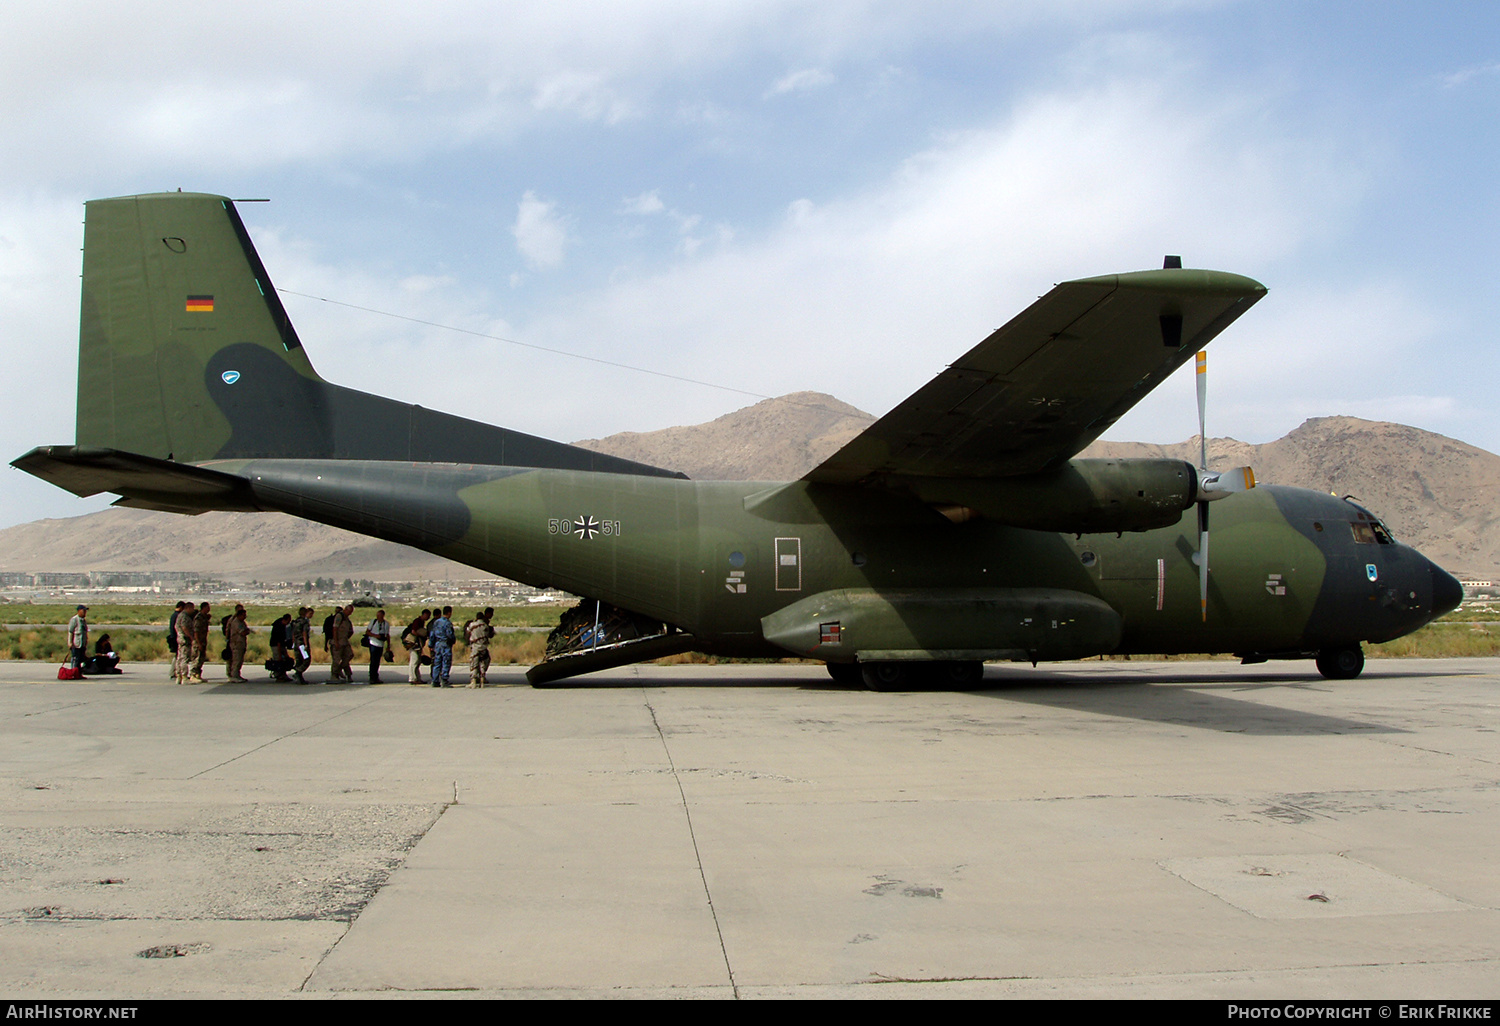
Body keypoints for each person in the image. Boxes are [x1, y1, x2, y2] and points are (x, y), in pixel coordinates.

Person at [466, 608, 494, 688]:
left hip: (475, 647)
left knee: (474, 664)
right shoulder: (485, 626)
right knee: (483, 663)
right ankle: (482, 679)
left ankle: (473, 681)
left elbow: (468, 632)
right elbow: (489, 635)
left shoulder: (472, 625)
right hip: (483, 647)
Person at [428, 606, 455, 687]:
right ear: (449, 613)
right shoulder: (447, 623)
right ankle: (444, 679)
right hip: (445, 644)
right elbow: (450, 634)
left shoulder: (436, 622)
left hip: (438, 644)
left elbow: (432, 634)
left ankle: (435, 680)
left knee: (437, 662)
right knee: (446, 661)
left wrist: (431, 644)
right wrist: (453, 641)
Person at [401, 609, 430, 685]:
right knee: (414, 660)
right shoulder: (417, 621)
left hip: (417, 644)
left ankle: (417, 678)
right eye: (427, 616)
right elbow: (414, 631)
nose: (428, 618)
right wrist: (421, 635)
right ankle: (412, 678)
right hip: (414, 644)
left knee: (417, 661)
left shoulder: (421, 622)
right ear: (424, 614)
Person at [364, 609, 391, 683]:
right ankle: (372, 677)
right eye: (377, 615)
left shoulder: (386, 624)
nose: (378, 617)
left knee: (377, 661)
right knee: (373, 660)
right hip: (373, 643)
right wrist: (375, 636)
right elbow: (367, 632)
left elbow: (387, 635)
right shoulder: (373, 622)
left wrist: (388, 646)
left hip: (381, 644)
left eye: (380, 616)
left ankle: (376, 676)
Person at [174, 600, 197, 684]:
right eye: (192, 608)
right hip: (184, 639)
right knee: (184, 658)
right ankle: (184, 677)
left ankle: (179, 676)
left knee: (179, 658)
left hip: (180, 638)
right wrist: (191, 637)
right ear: (188, 608)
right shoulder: (184, 616)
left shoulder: (180, 615)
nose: (193, 610)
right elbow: (184, 627)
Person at [226, 607, 251, 683]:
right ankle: (234, 675)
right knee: (236, 660)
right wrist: (247, 631)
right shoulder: (236, 622)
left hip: (241, 644)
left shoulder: (242, 622)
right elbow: (243, 632)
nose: (245, 617)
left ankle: (237, 675)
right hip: (236, 644)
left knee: (240, 660)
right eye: (243, 615)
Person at [290, 607, 312, 684]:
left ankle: (300, 678)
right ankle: (298, 673)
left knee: (299, 661)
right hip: (302, 644)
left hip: (296, 643)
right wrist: (306, 645)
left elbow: (292, 633)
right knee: (307, 660)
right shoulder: (304, 622)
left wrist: (293, 643)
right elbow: (304, 633)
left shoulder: (295, 622)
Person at [191, 602, 212, 682]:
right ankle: (193, 675)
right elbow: (196, 632)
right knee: (196, 658)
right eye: (207, 607)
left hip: (203, 641)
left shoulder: (204, 617)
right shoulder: (199, 618)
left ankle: (197, 674)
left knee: (201, 658)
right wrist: (198, 643)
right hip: (198, 642)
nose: (209, 609)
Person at [268, 613, 292, 682]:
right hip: (276, 645)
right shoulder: (278, 626)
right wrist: (279, 653)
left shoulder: (283, 626)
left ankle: (283, 675)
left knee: (285, 659)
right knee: (278, 659)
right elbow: (278, 641)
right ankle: (278, 675)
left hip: (281, 644)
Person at [67, 605, 88, 672]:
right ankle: (73, 672)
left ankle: (78, 673)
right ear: (79, 611)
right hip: (76, 644)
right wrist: (70, 642)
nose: (85, 612)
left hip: (82, 644)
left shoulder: (83, 621)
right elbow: (70, 631)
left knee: (80, 659)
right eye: (83, 611)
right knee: (75, 659)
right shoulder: (74, 619)